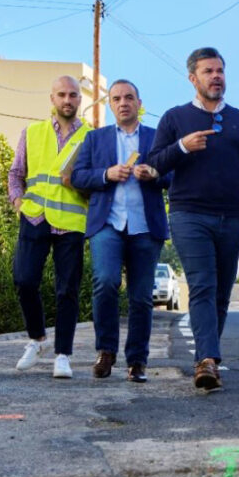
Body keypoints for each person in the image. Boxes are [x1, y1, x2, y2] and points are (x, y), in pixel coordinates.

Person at [147, 47, 239, 392]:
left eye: (220, 71)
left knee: (220, 292)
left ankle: (209, 356)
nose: (216, 76)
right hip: (188, 214)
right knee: (201, 284)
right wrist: (183, 147)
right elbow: (155, 164)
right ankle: (206, 361)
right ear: (192, 78)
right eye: (208, 71)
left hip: (232, 218)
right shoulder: (174, 119)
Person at [71, 79, 171, 382]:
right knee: (105, 281)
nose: (123, 102)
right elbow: (78, 177)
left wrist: (154, 174)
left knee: (141, 297)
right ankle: (106, 351)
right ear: (110, 104)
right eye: (116, 98)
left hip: (145, 227)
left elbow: (174, 176)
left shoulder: (157, 138)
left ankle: (137, 360)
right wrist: (106, 174)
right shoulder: (95, 139)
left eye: (129, 97)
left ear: (140, 104)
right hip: (107, 223)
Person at [8, 76, 92, 379]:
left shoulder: (92, 137)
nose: (67, 100)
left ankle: (62, 354)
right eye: (61, 95)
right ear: (52, 98)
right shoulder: (32, 132)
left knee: (67, 289)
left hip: (71, 221)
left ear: (79, 99)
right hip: (35, 216)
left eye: (72, 95)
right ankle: (37, 338)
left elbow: (96, 182)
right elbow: (16, 173)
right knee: (24, 280)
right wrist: (18, 202)